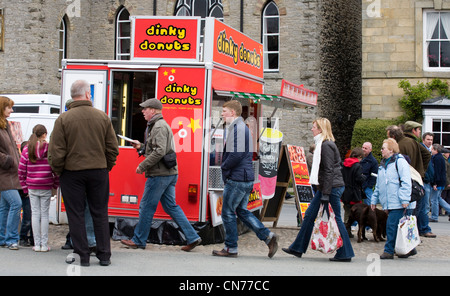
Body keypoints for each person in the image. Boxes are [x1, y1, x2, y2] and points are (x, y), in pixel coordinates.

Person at [48, 80, 119, 266]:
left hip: (72, 173)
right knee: (100, 213)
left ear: (73, 96)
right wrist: (105, 166)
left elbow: (56, 152)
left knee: (76, 214)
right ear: (88, 94)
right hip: (98, 171)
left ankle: (82, 256)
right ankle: (104, 256)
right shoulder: (102, 117)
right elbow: (112, 148)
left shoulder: (63, 119)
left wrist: (59, 170)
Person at [120, 98, 202, 252]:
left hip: (160, 175)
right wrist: (141, 147)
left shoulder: (158, 127)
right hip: (168, 173)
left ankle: (138, 240)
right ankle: (192, 237)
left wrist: (142, 166)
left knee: (146, 206)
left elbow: (159, 151)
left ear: (153, 110)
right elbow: (157, 149)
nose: (143, 111)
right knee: (171, 206)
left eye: (145, 109)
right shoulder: (158, 125)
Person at [212, 100, 278, 258]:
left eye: (224, 111)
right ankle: (268, 237)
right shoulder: (241, 128)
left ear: (233, 113)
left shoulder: (239, 128)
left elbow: (236, 154)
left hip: (237, 178)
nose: (222, 114)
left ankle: (230, 248)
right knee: (242, 211)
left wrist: (224, 167)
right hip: (244, 177)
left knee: (227, 212)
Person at [283, 118, 354, 262]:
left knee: (336, 219)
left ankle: (345, 252)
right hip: (327, 187)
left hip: (331, 188)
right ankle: (297, 247)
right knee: (309, 215)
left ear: (321, 129)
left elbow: (328, 170)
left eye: (314, 127)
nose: (311, 129)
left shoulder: (326, 145)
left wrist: (326, 194)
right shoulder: (323, 144)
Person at [386, 125, 435, 238]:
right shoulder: (411, 141)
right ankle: (417, 232)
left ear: (393, 136)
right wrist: (420, 170)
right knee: (417, 208)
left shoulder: (399, 146)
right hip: (417, 179)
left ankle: (408, 236)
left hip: (407, 180)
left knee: (409, 210)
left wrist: (418, 170)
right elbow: (427, 154)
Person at [371, 138, 416, 259]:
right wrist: (374, 199)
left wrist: (405, 199)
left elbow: (406, 182)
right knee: (398, 226)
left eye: (383, 148)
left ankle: (389, 251)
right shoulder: (383, 165)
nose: (381, 150)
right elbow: (379, 185)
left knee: (391, 225)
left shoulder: (400, 162)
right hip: (390, 202)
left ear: (390, 150)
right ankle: (409, 249)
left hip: (398, 201)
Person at [18, 124, 59, 252]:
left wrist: (24, 187)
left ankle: (36, 244)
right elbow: (55, 168)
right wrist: (55, 184)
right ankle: (44, 244)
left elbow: (21, 170)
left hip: (32, 185)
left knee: (35, 214)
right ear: (45, 134)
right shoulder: (49, 149)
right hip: (46, 184)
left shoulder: (27, 149)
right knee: (44, 215)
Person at [0, 96, 23, 250]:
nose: (11, 110)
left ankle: (2, 237)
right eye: (9, 107)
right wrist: (9, 160)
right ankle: (11, 239)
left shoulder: (5, 126)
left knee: (5, 207)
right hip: (4, 174)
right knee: (16, 203)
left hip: (10, 173)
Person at [341, 147, 366, 231]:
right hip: (354, 192)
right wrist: (363, 177)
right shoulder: (357, 166)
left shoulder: (344, 164)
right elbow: (359, 179)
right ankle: (358, 231)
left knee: (347, 211)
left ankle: (346, 230)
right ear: (359, 156)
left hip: (346, 192)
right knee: (357, 212)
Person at [429, 144, 450, 222]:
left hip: (438, 182)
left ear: (436, 150)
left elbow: (437, 172)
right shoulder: (440, 158)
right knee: (439, 198)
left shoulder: (437, 158)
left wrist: (435, 183)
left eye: (432, 149)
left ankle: (434, 217)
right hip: (441, 181)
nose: (431, 150)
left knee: (434, 200)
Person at [441, 148, 450, 220]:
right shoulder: (444, 161)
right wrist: (448, 182)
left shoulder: (445, 160)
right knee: (443, 197)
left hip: (446, 182)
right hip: (446, 182)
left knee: (444, 197)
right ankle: (443, 211)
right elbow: (446, 173)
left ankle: (446, 211)